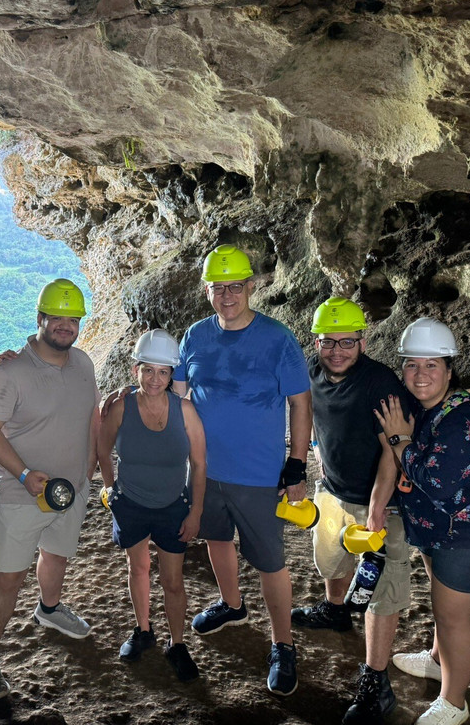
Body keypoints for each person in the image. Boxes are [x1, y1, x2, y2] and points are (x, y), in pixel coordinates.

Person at [174, 244, 312, 696]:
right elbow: (178, 393)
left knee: (270, 561)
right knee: (216, 538)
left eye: (236, 286)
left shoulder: (277, 338)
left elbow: (300, 402)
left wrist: (296, 464)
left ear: (252, 286)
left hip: (258, 473)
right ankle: (231, 604)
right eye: (218, 287)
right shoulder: (195, 335)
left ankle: (283, 644)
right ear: (207, 290)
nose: (227, 295)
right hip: (205, 470)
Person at [374, 318, 470, 725]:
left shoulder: (464, 420)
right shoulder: (429, 410)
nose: (420, 374)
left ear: (449, 369)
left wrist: (398, 441)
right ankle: (437, 659)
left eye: (431, 365)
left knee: (453, 617)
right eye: (412, 365)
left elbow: (437, 483)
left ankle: (454, 702)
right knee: (443, 608)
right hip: (443, 531)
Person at [0, 278, 100, 701]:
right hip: (20, 491)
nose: (66, 325)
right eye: (58, 317)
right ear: (40, 318)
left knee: (57, 555)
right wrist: (25, 473)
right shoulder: (11, 372)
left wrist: (93, 465)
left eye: (74, 318)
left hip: (73, 488)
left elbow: (92, 416)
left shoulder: (83, 364)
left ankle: (49, 609)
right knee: (8, 577)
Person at [291, 297, 417, 724]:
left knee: (383, 589)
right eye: (329, 342)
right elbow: (306, 416)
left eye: (348, 342)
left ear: (363, 341)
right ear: (317, 340)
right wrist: (313, 458)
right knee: (329, 560)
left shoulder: (379, 383)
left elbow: (392, 450)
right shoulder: (310, 371)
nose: (338, 351)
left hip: (383, 502)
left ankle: (376, 681)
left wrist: (378, 508)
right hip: (333, 492)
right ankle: (335, 611)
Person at [97, 329, 207, 682]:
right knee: (138, 568)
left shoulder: (185, 410)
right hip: (130, 503)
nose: (155, 379)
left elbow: (200, 465)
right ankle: (143, 631)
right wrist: (111, 489)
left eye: (163, 372)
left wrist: (196, 512)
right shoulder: (121, 406)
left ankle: (177, 644)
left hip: (173, 505)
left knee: (173, 582)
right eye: (148, 370)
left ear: (172, 374)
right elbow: (103, 449)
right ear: (135, 370)